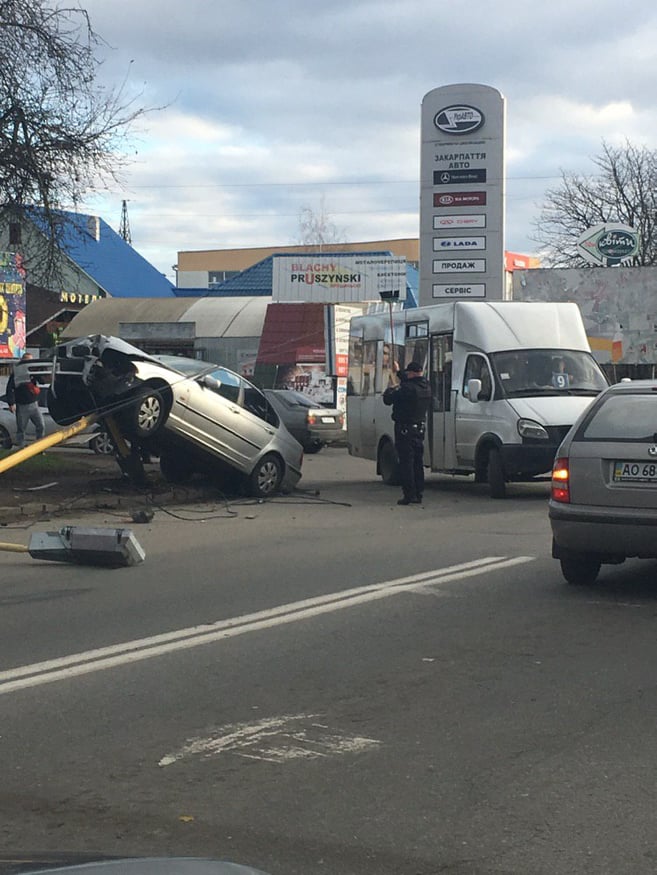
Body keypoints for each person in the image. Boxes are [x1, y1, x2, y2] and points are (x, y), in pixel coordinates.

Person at [383, 360, 432, 505]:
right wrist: (399, 373)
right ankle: (419, 493)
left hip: (405, 430)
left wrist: (391, 388)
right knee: (418, 462)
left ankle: (409, 494)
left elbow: (388, 400)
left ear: (411, 373)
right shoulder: (426, 386)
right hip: (419, 429)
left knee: (406, 463)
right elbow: (410, 383)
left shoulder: (405, 389)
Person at [6, 353, 45, 449]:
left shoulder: (33, 371)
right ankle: (22, 447)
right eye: (28, 361)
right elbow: (9, 388)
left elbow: (42, 381)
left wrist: (40, 371)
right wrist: (11, 403)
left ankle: (39, 447)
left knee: (41, 425)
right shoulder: (16, 373)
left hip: (34, 404)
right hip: (22, 405)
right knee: (21, 429)